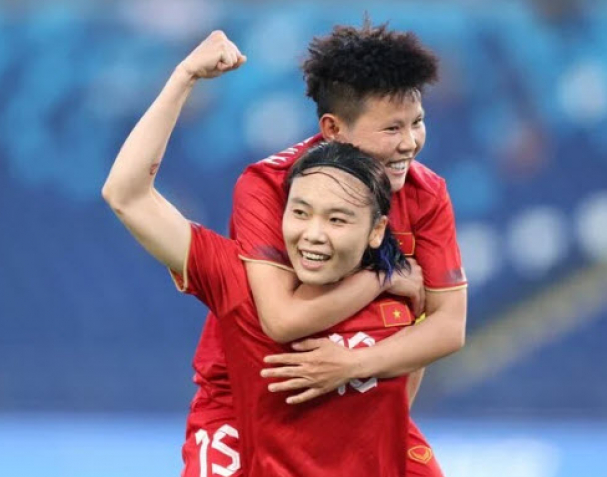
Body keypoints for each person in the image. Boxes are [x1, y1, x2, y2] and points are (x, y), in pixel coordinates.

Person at [101, 32, 427, 473]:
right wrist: (184, 76)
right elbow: (127, 195)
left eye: (336, 219)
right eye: (300, 212)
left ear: (376, 231)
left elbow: (402, 399)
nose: (313, 235)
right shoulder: (239, 283)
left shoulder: (402, 303)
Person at [180, 23, 467, 477]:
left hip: (359, 391)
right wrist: (383, 277)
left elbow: (448, 327)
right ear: (333, 129)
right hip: (248, 400)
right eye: (392, 128)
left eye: (417, 122)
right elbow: (282, 320)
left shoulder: (426, 192)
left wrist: (353, 366)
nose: (410, 142)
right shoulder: (268, 185)